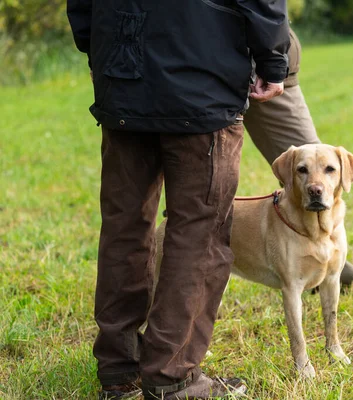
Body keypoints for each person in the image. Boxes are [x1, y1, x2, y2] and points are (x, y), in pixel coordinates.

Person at [66, 0, 289, 399]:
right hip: (201, 81)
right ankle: (172, 378)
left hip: (123, 72)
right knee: (199, 233)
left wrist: (100, 45)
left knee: (124, 226)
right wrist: (273, 63)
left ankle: (119, 371)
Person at [243, 29, 353, 291]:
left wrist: (274, 60)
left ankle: (331, 264)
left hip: (266, 61)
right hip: (205, 62)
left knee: (315, 163)